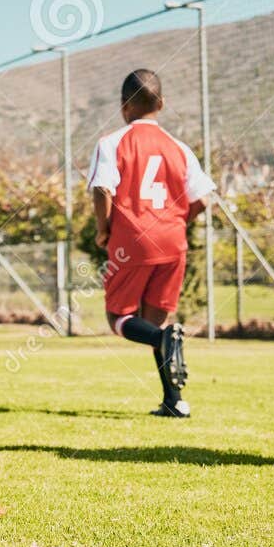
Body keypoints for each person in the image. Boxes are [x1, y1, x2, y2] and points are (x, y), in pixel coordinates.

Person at [87, 69, 214, 417]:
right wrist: (173, 223)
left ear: (124, 106)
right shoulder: (180, 148)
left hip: (132, 241)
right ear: (161, 103)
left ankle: (163, 342)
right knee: (159, 323)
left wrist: (103, 229)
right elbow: (203, 200)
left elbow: (102, 188)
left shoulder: (112, 143)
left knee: (119, 317)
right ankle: (175, 402)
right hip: (173, 242)